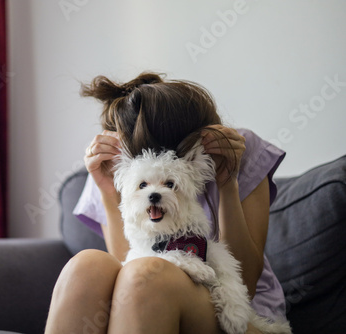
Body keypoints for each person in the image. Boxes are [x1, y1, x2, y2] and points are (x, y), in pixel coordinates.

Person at [44, 72, 287, 334]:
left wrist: (228, 181)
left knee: (146, 276)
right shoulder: (115, 163)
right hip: (141, 301)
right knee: (86, 266)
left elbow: (245, 283)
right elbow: (125, 265)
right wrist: (107, 190)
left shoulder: (238, 149)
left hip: (240, 313)